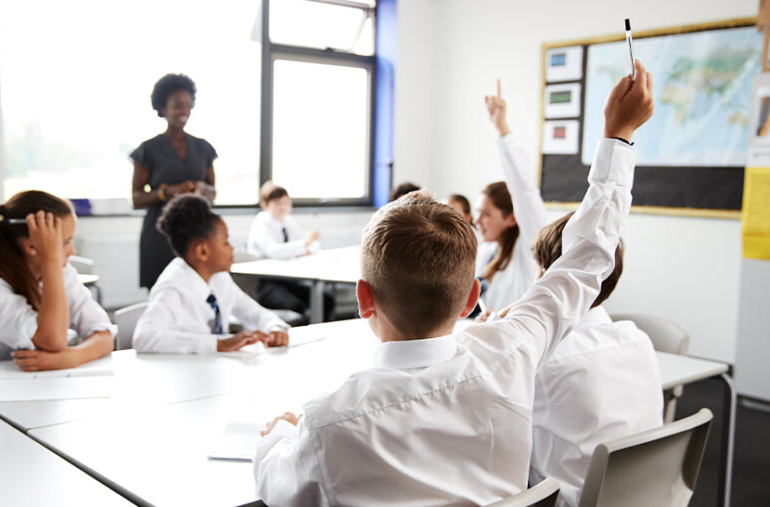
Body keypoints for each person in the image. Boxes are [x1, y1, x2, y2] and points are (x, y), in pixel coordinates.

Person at [252, 60, 653, 505]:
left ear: (363, 298)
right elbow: (587, 256)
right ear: (471, 298)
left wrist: (276, 436)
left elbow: (276, 486)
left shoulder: (327, 424)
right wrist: (618, 135)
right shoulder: (510, 351)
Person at [527, 212, 663, 507]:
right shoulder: (637, 338)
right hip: (643, 495)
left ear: (552, 276)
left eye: (540, 266)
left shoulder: (547, 360)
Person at [0, 191, 116, 371]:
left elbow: (104, 334)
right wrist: (51, 260)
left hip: (27, 380)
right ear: (32, 246)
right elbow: (53, 340)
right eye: (65, 242)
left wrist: (73, 357)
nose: (72, 252)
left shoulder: (61, 272)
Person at [133, 195, 291, 353]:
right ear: (202, 251)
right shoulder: (173, 287)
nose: (231, 248)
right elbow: (144, 337)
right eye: (225, 242)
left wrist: (274, 327)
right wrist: (218, 344)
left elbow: (254, 313)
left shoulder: (219, 277)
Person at [131, 73, 218, 289]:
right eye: (178, 105)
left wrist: (200, 190)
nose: (185, 111)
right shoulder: (148, 150)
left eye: (189, 105)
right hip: (160, 236)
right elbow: (136, 198)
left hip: (197, 231)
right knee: (162, 294)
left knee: (199, 293)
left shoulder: (204, 148)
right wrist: (167, 192)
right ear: (162, 108)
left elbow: (213, 192)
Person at [475, 80, 551, 313]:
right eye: (478, 213)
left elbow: (524, 190)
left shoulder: (529, 248)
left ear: (511, 217)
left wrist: (501, 126)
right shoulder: (487, 252)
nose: (477, 221)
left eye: (486, 214)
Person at [246, 181, 332, 320]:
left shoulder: (288, 221)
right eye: (277, 203)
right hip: (269, 282)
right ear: (265, 205)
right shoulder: (261, 223)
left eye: (286, 202)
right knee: (294, 306)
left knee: (325, 299)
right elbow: (274, 251)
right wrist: (304, 245)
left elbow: (313, 245)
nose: (283, 207)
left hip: (290, 279)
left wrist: (305, 246)